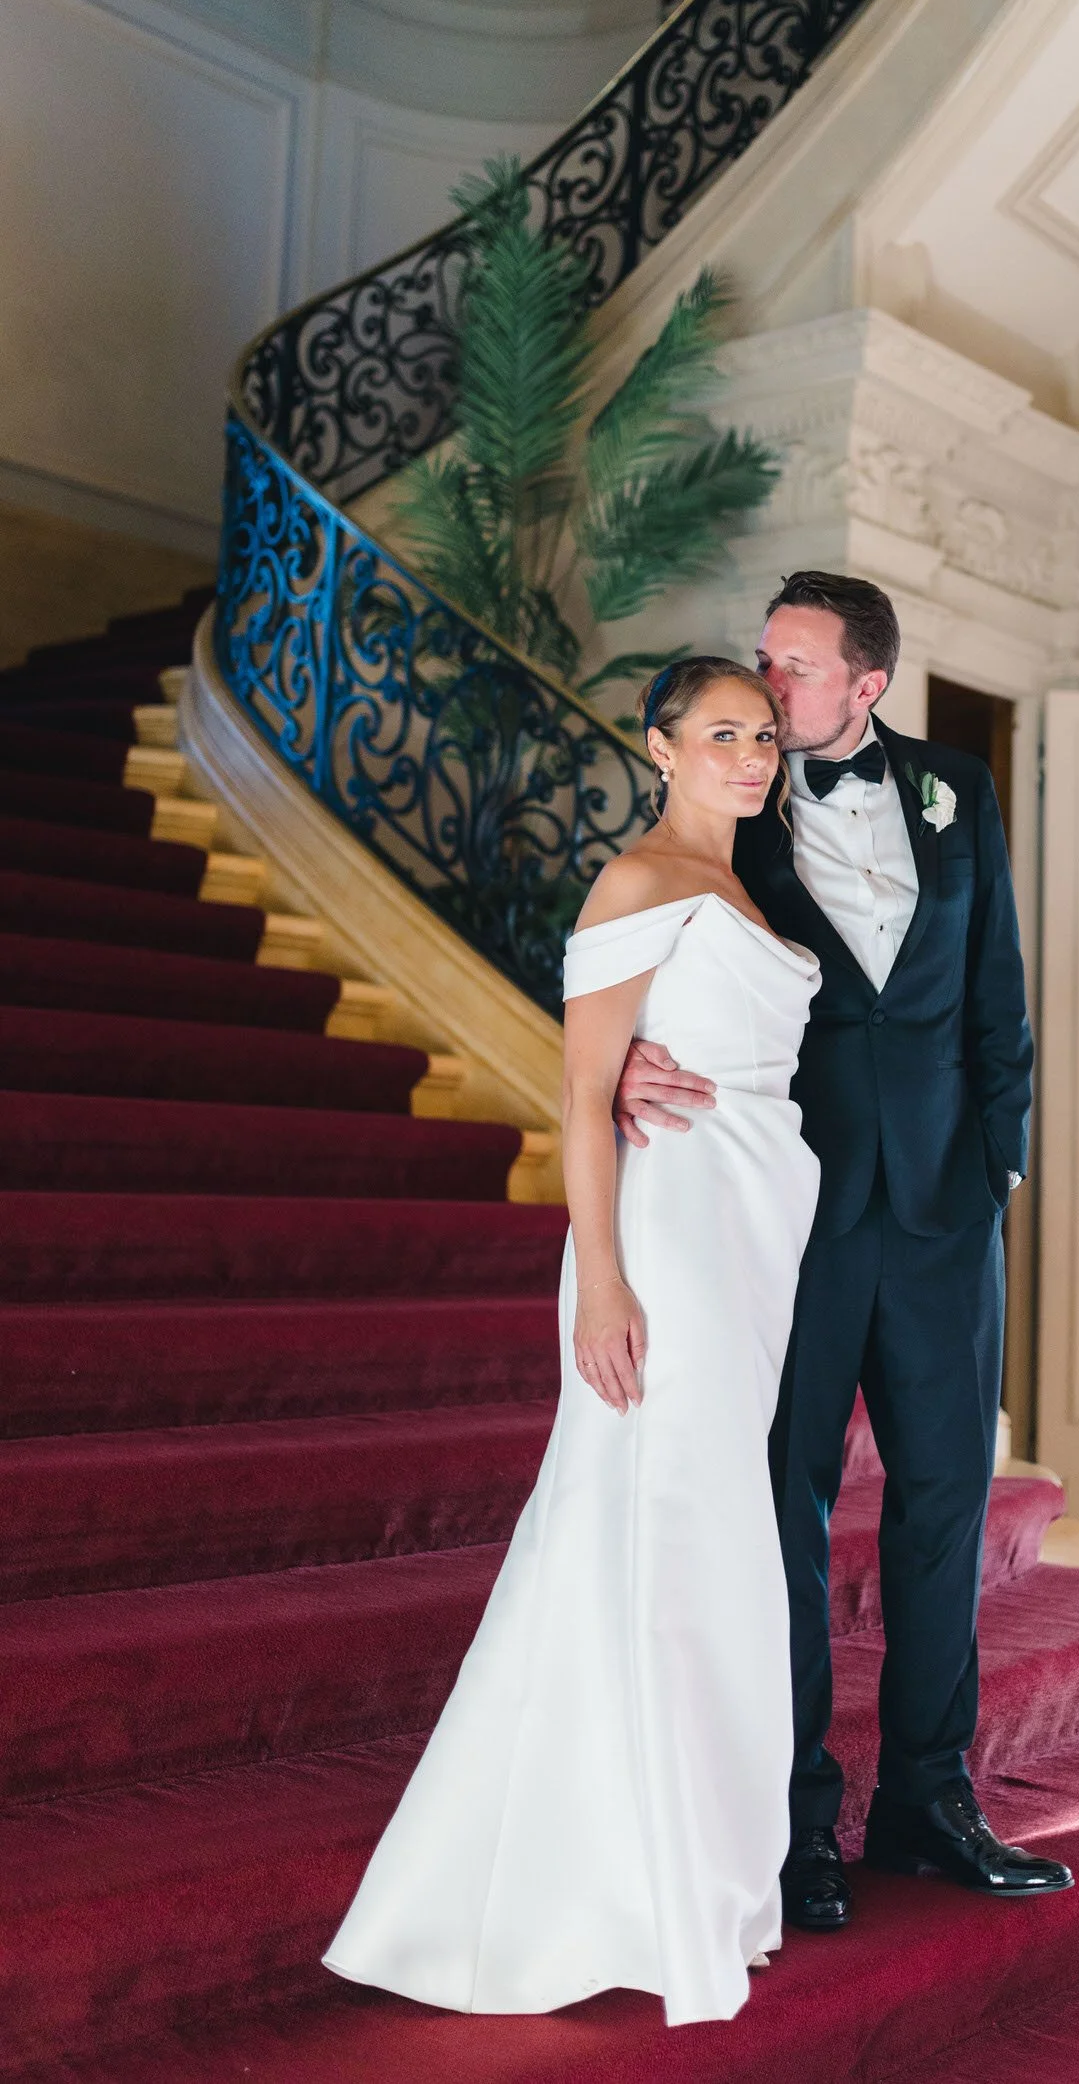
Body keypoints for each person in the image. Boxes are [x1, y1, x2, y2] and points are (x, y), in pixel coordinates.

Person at [322, 657, 822, 2027]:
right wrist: (602, 1284)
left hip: (750, 1241)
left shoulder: (744, 887)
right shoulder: (637, 880)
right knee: (651, 1526)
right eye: (720, 733)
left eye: (762, 735)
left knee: (711, 1535)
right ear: (658, 745)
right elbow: (580, 1097)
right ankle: (621, 1881)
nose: (748, 753)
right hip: (663, 1247)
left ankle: (702, 1869)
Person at [614, 572, 1070, 1933]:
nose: (771, 690)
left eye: (797, 668)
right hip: (781, 1209)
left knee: (943, 1506)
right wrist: (625, 1059)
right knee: (786, 1510)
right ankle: (794, 1820)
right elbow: (617, 943)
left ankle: (929, 1801)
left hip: (942, 1213)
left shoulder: (956, 793)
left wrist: (998, 1165)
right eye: (763, 663)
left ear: (865, 684)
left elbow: (999, 990)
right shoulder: (726, 802)